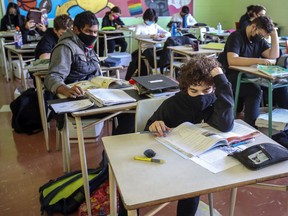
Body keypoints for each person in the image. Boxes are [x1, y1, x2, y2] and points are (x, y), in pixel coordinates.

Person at [142, 55, 234, 216]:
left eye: (206, 90)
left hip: (198, 161)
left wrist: (222, 81)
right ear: (185, 88)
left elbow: (225, 125)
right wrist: (154, 125)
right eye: (194, 91)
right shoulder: (172, 104)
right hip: (168, 160)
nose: (200, 95)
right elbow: (146, 130)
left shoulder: (214, 102)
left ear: (214, 88)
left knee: (193, 183)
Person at [44, 11, 134, 135]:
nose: (93, 35)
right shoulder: (66, 47)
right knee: (126, 111)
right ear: (76, 29)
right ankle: (112, 150)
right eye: (88, 31)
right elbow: (52, 77)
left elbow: (95, 69)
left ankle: (115, 147)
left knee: (130, 108)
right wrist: (65, 90)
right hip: (77, 98)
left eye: (95, 32)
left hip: (96, 94)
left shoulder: (86, 46)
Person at [217, 16, 288, 127]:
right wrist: (260, 60)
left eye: (264, 36)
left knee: (281, 86)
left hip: (250, 75)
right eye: (261, 34)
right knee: (254, 91)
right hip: (231, 75)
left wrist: (274, 35)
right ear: (253, 27)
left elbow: (273, 56)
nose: (261, 37)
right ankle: (251, 126)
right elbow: (232, 60)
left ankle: (284, 123)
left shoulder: (259, 40)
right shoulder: (236, 36)